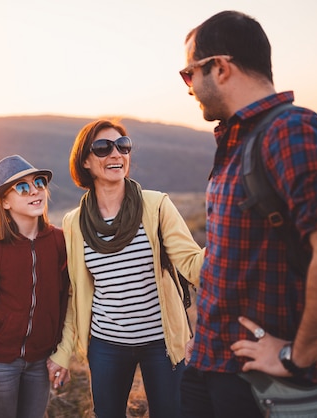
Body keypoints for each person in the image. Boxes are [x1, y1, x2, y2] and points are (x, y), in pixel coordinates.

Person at [178, 10, 317, 418]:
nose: (189, 88)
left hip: (261, 385)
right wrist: (205, 336)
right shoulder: (242, 137)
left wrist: (296, 356)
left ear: (220, 68)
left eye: (189, 73)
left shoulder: (289, 130)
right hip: (212, 362)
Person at [46, 119, 205, 418]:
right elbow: (73, 295)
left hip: (162, 342)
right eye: (103, 148)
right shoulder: (74, 223)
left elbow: (192, 265)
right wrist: (63, 353)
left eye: (123, 146)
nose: (116, 154)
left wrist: (229, 242)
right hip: (107, 345)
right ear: (85, 162)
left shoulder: (156, 206)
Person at [0, 155, 70, 418]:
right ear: (5, 202)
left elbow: (66, 301)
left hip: (41, 361)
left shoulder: (59, 242)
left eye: (39, 183)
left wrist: (61, 353)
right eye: (22, 187)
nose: (34, 190)